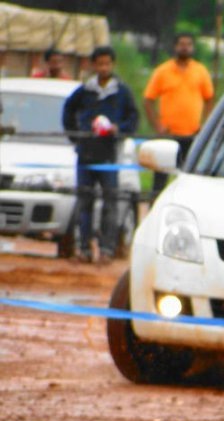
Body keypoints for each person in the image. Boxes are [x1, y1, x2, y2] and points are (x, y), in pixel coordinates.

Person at [62, 46, 139, 264]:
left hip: (109, 155)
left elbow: (133, 118)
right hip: (86, 153)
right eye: (100, 63)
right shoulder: (85, 90)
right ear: (93, 65)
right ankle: (84, 248)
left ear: (112, 65)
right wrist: (75, 135)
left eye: (107, 63)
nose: (103, 68)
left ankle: (107, 249)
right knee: (84, 201)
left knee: (110, 202)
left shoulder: (122, 91)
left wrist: (119, 129)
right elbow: (68, 109)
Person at [144, 32, 214, 195]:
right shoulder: (163, 71)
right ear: (175, 47)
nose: (185, 47)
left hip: (192, 135)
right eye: (181, 44)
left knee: (188, 180)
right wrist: (157, 126)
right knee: (160, 180)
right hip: (168, 135)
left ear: (193, 48)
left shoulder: (200, 71)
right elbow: (148, 99)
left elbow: (209, 98)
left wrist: (205, 124)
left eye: (188, 44)